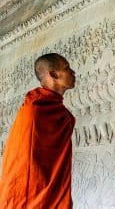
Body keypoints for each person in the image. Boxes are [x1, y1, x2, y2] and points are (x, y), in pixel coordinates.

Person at [0, 53, 76, 208]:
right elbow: (24, 160)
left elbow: (57, 160)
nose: (73, 72)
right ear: (53, 74)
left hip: (56, 192)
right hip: (29, 193)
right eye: (67, 68)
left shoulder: (60, 112)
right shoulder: (34, 110)